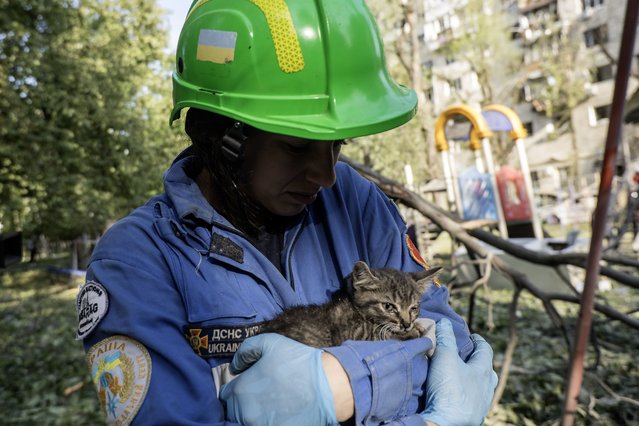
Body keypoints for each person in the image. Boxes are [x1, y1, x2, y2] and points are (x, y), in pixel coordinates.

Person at [76, 1, 498, 425]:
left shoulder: (358, 204)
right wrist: (415, 404)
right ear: (221, 136)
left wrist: (346, 384)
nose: (327, 175)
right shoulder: (137, 262)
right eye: (298, 145)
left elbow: (451, 345)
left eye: (338, 144)